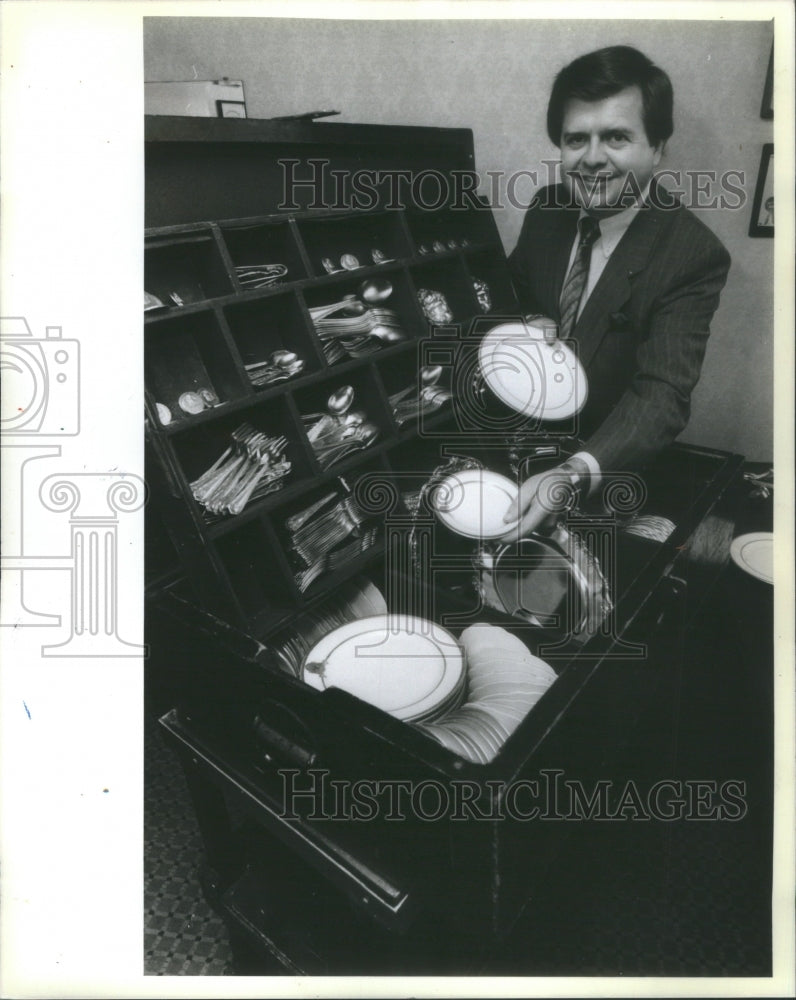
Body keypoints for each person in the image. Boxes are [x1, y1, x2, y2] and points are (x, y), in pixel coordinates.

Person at [500, 45, 731, 540]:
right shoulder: (548, 209)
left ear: (658, 147)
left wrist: (572, 473)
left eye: (617, 137)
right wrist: (523, 322)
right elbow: (513, 293)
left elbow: (663, 393)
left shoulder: (692, 254)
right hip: (514, 450)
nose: (592, 159)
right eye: (575, 139)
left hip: (601, 473)